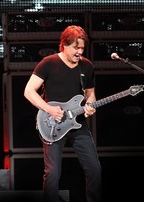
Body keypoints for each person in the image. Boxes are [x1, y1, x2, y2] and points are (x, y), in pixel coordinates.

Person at [24, 25, 102, 202]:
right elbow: (29, 91)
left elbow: (90, 94)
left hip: (78, 125)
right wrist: (49, 109)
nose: (79, 52)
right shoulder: (49, 63)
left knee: (94, 169)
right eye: (76, 47)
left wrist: (90, 106)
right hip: (53, 125)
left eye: (82, 48)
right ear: (64, 45)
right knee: (52, 172)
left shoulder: (87, 66)